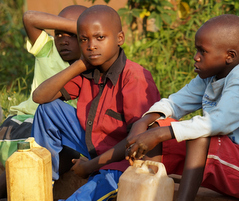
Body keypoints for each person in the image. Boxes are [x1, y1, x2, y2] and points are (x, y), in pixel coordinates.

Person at [126, 14, 239, 201]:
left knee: (197, 136)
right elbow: (176, 103)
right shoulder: (212, 75)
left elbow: (215, 124)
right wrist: (145, 121)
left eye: (202, 51)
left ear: (229, 56)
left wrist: (159, 134)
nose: (195, 57)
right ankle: (149, 195)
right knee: (160, 124)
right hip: (228, 167)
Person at [30, 4, 160, 201]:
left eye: (100, 38)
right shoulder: (88, 71)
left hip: (123, 162)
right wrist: (81, 63)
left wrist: (91, 166)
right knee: (47, 109)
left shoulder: (134, 78)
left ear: (120, 38)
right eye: (84, 40)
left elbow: (138, 141)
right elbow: (39, 96)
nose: (91, 45)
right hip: (94, 143)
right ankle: (43, 179)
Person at [0, 5, 87, 198]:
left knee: (67, 153)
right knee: (55, 154)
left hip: (54, 133)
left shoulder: (93, 62)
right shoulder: (48, 49)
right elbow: (30, 17)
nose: (63, 41)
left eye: (72, 35)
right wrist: (80, 26)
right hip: (24, 124)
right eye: (59, 34)